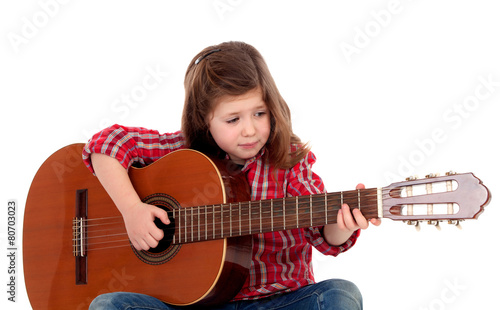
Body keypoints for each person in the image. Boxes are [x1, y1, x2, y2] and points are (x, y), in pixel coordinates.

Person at [83, 41, 381, 310]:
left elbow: (323, 233)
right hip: (191, 305)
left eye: (260, 113)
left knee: (341, 296)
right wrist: (131, 210)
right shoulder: (182, 152)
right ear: (204, 120)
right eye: (233, 119)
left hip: (278, 302)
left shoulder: (288, 161)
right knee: (109, 305)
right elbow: (106, 144)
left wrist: (342, 224)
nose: (249, 129)